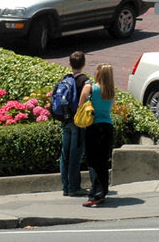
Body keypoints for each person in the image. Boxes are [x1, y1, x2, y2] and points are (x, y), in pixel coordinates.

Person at [80, 63, 115, 207]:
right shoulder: (111, 92)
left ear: (98, 74)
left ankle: (95, 193)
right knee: (103, 161)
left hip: (93, 127)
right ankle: (103, 191)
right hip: (107, 127)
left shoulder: (90, 88)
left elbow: (80, 105)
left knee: (93, 161)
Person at [60, 51, 89, 197]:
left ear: (70, 64)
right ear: (84, 64)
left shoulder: (65, 79)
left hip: (65, 120)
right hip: (78, 122)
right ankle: (74, 188)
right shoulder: (85, 81)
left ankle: (65, 187)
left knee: (65, 154)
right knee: (75, 155)